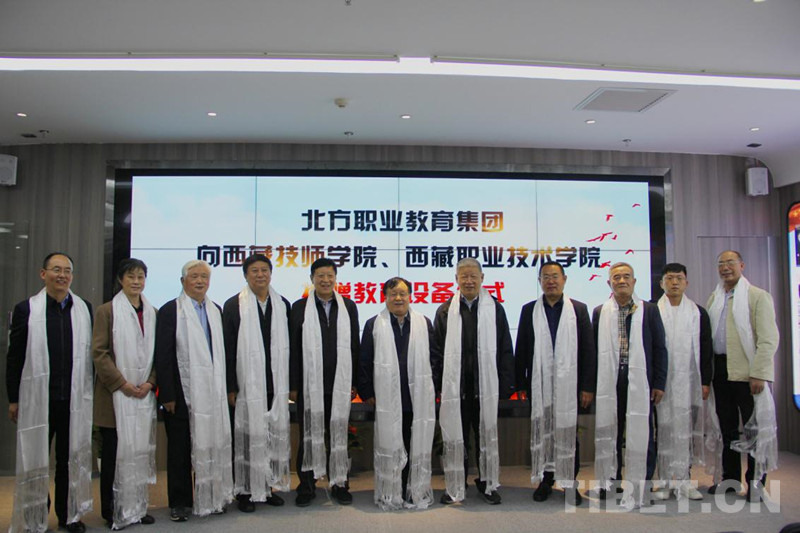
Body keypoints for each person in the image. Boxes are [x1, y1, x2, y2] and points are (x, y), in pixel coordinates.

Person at [7, 252, 93, 533]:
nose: (62, 275)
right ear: (43, 274)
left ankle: (69, 515)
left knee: (69, 461)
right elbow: (14, 357)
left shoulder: (83, 309)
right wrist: (13, 399)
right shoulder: (27, 310)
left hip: (73, 401)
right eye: (56, 269)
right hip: (37, 400)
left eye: (67, 270)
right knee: (35, 460)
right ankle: (35, 516)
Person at [155, 260, 233, 522]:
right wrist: (167, 395)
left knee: (211, 444)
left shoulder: (216, 310)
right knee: (179, 450)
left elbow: (222, 355)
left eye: (204, 277)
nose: (200, 281)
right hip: (181, 393)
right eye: (194, 277)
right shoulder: (170, 311)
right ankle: (180, 503)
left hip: (212, 393)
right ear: (183, 281)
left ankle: (210, 495)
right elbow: (163, 355)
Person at [433, 258, 514, 505]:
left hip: (485, 388)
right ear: (456, 279)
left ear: (482, 278)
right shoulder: (445, 310)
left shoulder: (495, 309)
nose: (468, 281)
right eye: (463, 276)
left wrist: (506, 384)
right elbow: (436, 352)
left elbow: (505, 348)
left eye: (473, 276)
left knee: (484, 437)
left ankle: (487, 483)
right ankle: (457, 484)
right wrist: (437, 385)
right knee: (457, 438)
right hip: (456, 389)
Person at [515, 260, 595, 506]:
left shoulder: (578, 309)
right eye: (546, 277)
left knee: (569, 432)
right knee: (544, 430)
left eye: (555, 276)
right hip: (540, 385)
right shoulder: (529, 310)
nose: (551, 281)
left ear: (564, 279)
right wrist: (520, 384)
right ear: (540, 281)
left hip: (570, 385)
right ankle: (546, 480)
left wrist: (587, 386)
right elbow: (522, 348)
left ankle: (570, 482)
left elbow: (588, 350)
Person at [359, 277, 438, 510]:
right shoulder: (374, 324)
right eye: (393, 294)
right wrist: (366, 391)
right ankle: (392, 489)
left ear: (410, 296)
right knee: (392, 442)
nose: (398, 298)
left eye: (403, 293)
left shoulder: (423, 323)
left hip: (417, 397)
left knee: (414, 443)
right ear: (385, 297)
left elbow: (435, 358)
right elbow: (364, 361)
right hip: (387, 397)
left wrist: (433, 388)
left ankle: (413, 489)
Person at [592, 262, 667, 507]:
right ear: (609, 283)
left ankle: (642, 484)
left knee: (643, 432)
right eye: (616, 277)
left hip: (641, 380)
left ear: (634, 281)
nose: (621, 281)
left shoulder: (650, 310)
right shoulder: (600, 312)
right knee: (610, 430)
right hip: (610, 380)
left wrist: (659, 383)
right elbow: (593, 352)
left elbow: (659, 348)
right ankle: (610, 481)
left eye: (626, 277)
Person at [707, 250, 779, 501]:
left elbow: (768, 339)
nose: (725, 267)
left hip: (748, 374)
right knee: (726, 429)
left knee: (754, 431)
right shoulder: (715, 298)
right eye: (721, 263)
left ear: (742, 265)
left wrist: (759, 373)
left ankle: (756, 483)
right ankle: (730, 480)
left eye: (730, 262)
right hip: (720, 372)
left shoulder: (757, 296)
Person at [223, 254, 291, 513]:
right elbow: (228, 349)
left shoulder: (282, 304)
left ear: (271, 274)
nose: (260, 274)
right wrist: (231, 386)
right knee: (247, 437)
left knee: (271, 437)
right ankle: (245, 491)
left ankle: (267, 487)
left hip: (274, 383)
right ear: (246, 275)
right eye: (254, 270)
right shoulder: (233, 305)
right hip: (246, 383)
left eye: (264, 270)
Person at [92, 258, 158, 529]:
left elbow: (158, 354)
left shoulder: (152, 312)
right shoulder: (107, 311)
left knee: (138, 453)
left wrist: (150, 382)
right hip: (114, 398)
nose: (136, 281)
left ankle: (137, 506)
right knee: (113, 456)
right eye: (131, 276)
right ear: (121, 280)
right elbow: (99, 353)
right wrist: (123, 384)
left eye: (140, 276)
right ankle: (112, 510)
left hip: (143, 396)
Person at [289, 257, 360, 507]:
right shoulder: (299, 308)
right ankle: (307, 486)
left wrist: (354, 382)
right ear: (312, 279)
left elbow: (354, 345)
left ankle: (340, 483)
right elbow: (293, 349)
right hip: (309, 386)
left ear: (335, 278)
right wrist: (293, 385)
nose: (326, 280)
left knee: (339, 435)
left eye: (330, 275)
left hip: (339, 383)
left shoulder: (348, 306)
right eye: (320, 276)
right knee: (308, 435)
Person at [655, 262, 720, 501]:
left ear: (686, 282)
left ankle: (684, 479)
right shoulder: (652, 310)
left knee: (686, 430)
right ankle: (664, 481)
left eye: (679, 278)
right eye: (669, 278)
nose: (674, 282)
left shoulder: (698, 312)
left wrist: (705, 381)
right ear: (661, 283)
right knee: (663, 429)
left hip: (690, 382)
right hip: (661, 383)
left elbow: (706, 348)